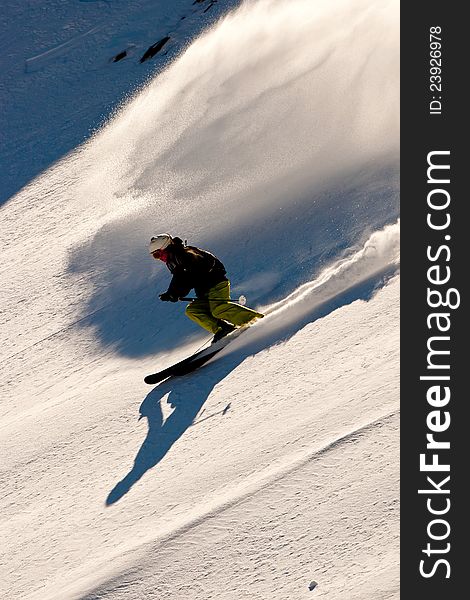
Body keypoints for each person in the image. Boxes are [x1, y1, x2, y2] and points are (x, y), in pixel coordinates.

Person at [149, 234, 264, 343]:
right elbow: (179, 278)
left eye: (157, 254)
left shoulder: (186, 254)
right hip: (205, 291)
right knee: (193, 311)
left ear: (165, 248)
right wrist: (171, 293)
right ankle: (223, 329)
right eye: (155, 256)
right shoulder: (173, 260)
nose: (158, 258)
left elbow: (189, 275)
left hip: (216, 284)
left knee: (219, 309)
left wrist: (175, 293)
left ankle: (255, 321)